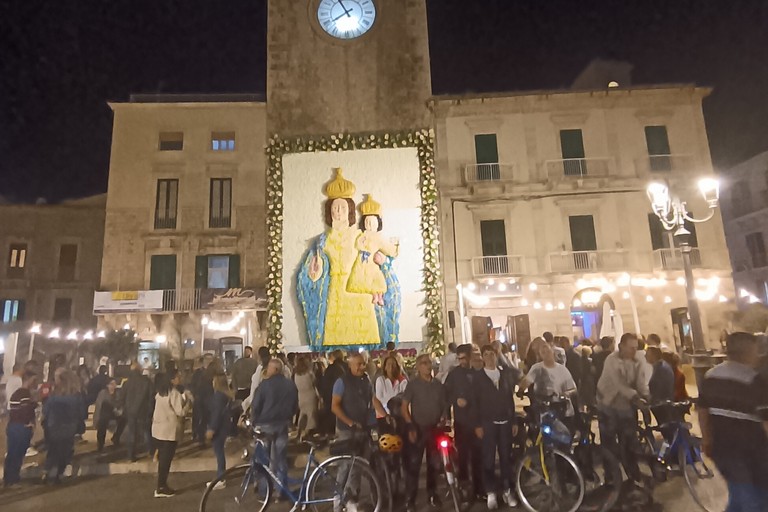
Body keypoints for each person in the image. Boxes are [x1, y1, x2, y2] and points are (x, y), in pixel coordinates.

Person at [699, 332, 768, 512]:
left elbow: (703, 410)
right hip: (752, 451)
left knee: (742, 495)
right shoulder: (755, 380)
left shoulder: (710, 376)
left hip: (723, 448)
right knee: (752, 499)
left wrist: (706, 439)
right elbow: (765, 422)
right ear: (748, 351)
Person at [596, 333, 649, 487]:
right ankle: (611, 477)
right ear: (621, 346)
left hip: (626, 405)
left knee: (630, 440)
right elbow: (618, 383)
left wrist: (646, 395)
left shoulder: (638, 360)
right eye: (631, 347)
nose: (634, 351)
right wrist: (636, 398)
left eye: (636, 347)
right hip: (608, 404)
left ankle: (633, 475)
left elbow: (641, 381)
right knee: (609, 442)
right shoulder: (611, 360)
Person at [473, 345, 522, 510]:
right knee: (488, 459)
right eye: (485, 354)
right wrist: (477, 424)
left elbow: (510, 398)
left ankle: (507, 490)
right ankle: (491, 491)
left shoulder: (504, 374)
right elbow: (475, 403)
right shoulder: (478, 377)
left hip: (505, 423)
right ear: (482, 357)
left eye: (491, 354)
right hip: (488, 424)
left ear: (496, 355)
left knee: (506, 458)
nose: (489, 357)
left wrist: (514, 420)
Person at [401, 354, 447, 511]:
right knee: (414, 465)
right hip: (418, 429)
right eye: (424, 363)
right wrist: (410, 426)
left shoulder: (438, 385)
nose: (428, 366)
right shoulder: (413, 385)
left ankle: (432, 494)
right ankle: (410, 499)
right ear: (418, 367)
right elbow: (404, 406)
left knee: (433, 464)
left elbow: (444, 405)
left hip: (434, 429)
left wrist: (444, 416)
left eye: (429, 363)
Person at [251, 359, 299, 491]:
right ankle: (281, 489)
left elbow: (256, 405)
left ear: (274, 370)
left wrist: (253, 422)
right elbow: (295, 406)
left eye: (269, 368)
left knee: (263, 459)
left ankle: (264, 489)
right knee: (280, 458)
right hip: (283, 424)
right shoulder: (290, 385)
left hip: (265, 424)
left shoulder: (264, 385)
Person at [444, 344, 483, 500]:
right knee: (463, 456)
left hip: (477, 421)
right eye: (458, 358)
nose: (461, 361)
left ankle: (479, 489)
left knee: (477, 457)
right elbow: (446, 396)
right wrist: (454, 402)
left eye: (464, 358)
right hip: (461, 422)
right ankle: (464, 487)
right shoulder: (454, 375)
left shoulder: (478, 372)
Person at [43, 370, 83, 483]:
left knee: (53, 449)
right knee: (65, 450)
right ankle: (60, 473)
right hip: (70, 426)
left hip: (54, 425)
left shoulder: (53, 397)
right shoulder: (76, 395)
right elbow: (81, 412)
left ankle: (48, 472)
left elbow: (46, 411)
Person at [519, 342, 577, 417]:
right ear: (540, 355)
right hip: (542, 406)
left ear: (552, 352)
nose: (547, 354)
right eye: (543, 352)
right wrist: (521, 390)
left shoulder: (562, 370)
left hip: (559, 406)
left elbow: (573, 389)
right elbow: (527, 381)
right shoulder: (537, 368)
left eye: (548, 351)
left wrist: (566, 394)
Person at [151, 370, 184, 497]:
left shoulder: (160, 393)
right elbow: (180, 411)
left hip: (158, 429)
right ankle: (161, 486)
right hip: (169, 430)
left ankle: (161, 484)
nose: (179, 379)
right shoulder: (174, 393)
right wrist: (187, 402)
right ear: (171, 380)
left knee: (163, 460)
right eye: (177, 377)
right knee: (166, 460)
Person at [4, 370, 39, 488]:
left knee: (12, 454)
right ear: (29, 380)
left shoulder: (17, 393)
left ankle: (9, 479)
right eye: (34, 380)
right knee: (17, 454)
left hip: (13, 426)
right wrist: (29, 423)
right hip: (20, 428)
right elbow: (25, 411)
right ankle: (12, 480)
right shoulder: (24, 394)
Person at [206, 373, 234, 490]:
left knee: (219, 453)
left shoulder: (218, 396)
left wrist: (212, 428)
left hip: (219, 428)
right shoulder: (227, 395)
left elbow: (216, 414)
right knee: (220, 452)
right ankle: (221, 476)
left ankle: (221, 478)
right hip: (224, 426)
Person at [122, 361, 153, 461]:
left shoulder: (127, 382)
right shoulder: (146, 381)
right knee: (146, 431)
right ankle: (150, 451)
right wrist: (150, 410)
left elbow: (122, 397)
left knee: (132, 433)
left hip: (131, 411)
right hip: (143, 410)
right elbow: (151, 397)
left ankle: (130, 455)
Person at [93, 377, 126, 452]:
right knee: (103, 422)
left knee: (124, 419)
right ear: (107, 385)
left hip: (114, 413)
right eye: (112, 384)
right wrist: (96, 420)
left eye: (115, 384)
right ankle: (100, 444)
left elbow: (120, 403)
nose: (114, 386)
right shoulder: (103, 393)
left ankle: (116, 437)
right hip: (104, 414)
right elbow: (99, 406)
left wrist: (119, 410)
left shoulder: (118, 393)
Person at [294, 355, 320, 441]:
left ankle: (299, 432)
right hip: (310, 395)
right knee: (310, 415)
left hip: (300, 396)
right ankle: (306, 434)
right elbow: (314, 383)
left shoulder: (296, 374)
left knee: (302, 414)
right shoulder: (309, 373)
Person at [321, 349, 346, 435]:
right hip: (345, 397)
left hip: (331, 396)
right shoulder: (347, 366)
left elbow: (325, 384)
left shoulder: (330, 369)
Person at [191, 354, 214, 444]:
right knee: (200, 418)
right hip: (200, 399)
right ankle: (199, 436)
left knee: (207, 418)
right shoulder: (198, 373)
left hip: (209, 399)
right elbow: (193, 385)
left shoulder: (212, 372)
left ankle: (205, 435)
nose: (208, 361)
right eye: (207, 359)